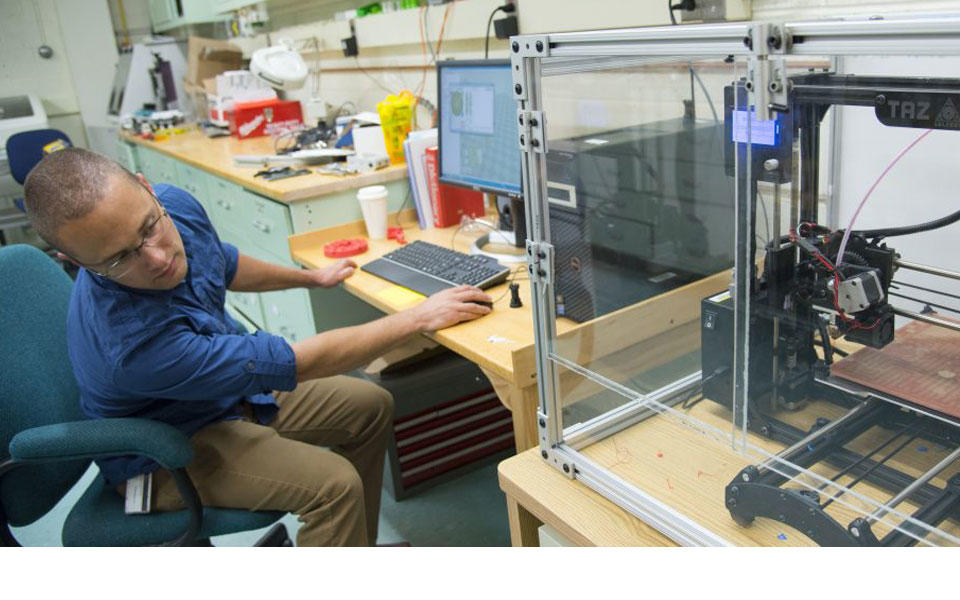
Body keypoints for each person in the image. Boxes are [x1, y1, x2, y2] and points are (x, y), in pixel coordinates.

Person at [22, 147, 492, 546]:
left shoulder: (172, 207)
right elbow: (296, 363)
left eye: (149, 229)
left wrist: (311, 277)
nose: (159, 258)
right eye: (121, 258)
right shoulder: (133, 346)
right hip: (167, 447)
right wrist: (417, 317)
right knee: (334, 487)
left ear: (147, 188)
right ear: (74, 263)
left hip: (219, 393)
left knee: (370, 405)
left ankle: (348, 553)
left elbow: (219, 262)